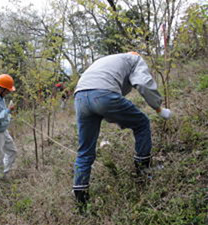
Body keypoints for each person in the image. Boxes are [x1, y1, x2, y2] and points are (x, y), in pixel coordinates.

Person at [72, 52, 172, 206]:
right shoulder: (135, 59)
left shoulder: (108, 60)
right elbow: (143, 83)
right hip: (103, 94)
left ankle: (80, 198)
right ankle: (143, 170)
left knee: (85, 149)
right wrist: (158, 108)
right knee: (142, 123)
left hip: (80, 97)